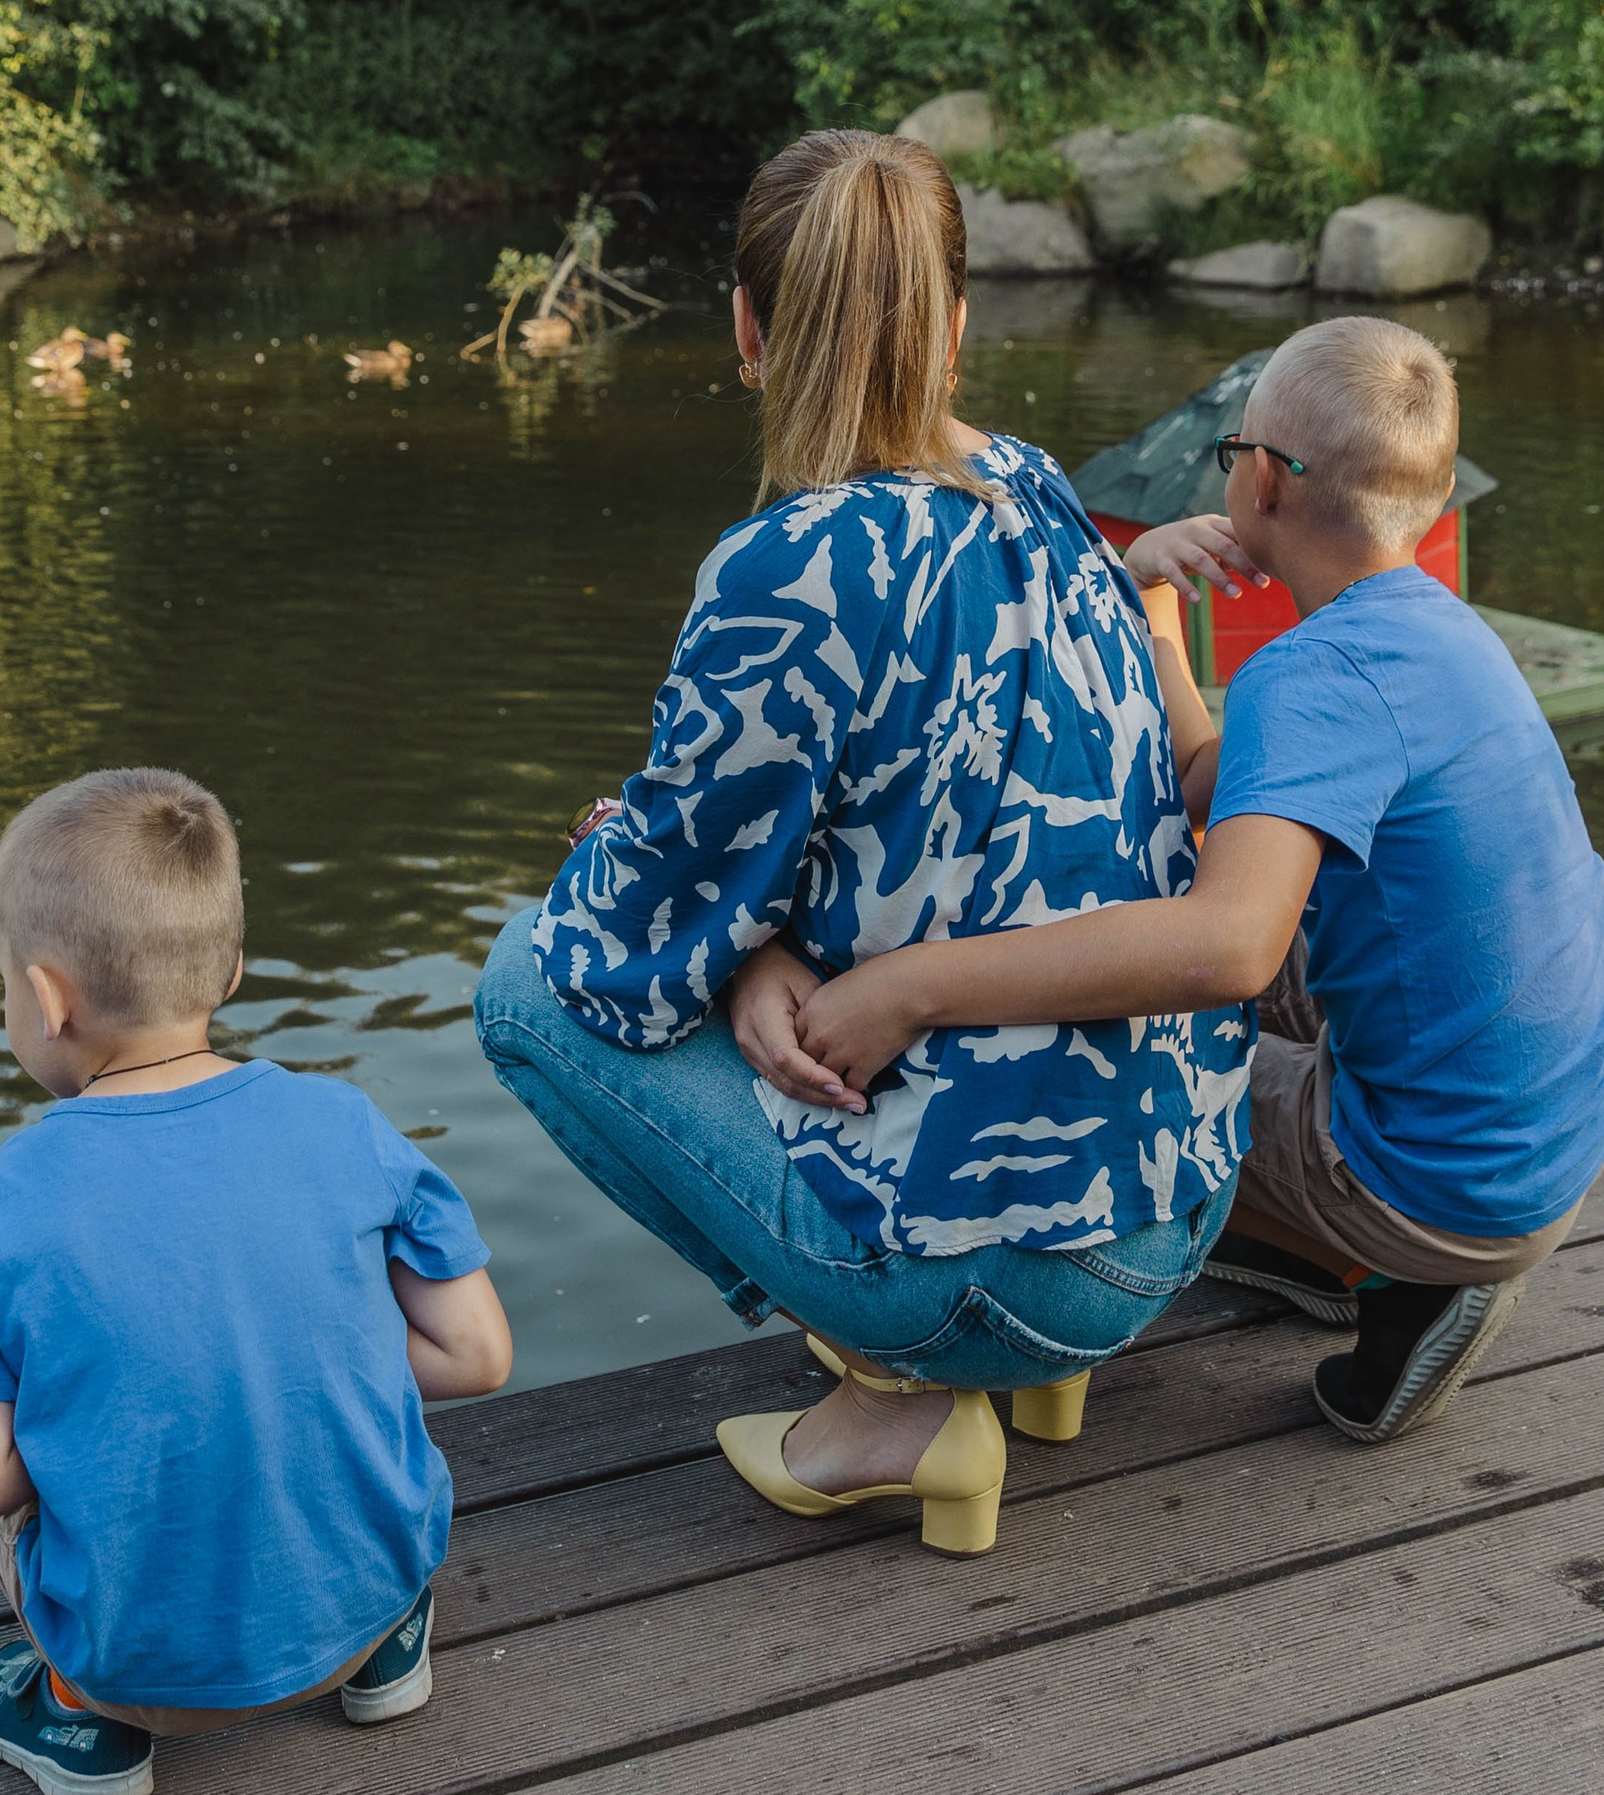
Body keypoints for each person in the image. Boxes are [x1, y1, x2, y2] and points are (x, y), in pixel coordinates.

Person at [474, 129, 1253, 1560]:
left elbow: (625, 942)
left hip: (995, 1276)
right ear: (959, 330)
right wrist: (760, 945)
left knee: (524, 980)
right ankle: (1035, 1380)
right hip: (1175, 1214)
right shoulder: (1043, 494)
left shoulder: (793, 566)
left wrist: (697, 917)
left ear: (748, 331)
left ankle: (900, 1387)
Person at [794, 316, 1604, 1447]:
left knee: (1091, 1071)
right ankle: (1341, 1253)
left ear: (1260, 480)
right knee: (1189, 928)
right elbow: (1210, 783)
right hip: (1560, 1109)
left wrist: (913, 984)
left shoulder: (1313, 672)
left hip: (1452, 1177)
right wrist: (1153, 603)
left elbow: (1232, 945)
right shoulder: (1433, 631)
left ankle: (1393, 1272)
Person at [0, 765, 512, 1795]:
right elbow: (478, 1356)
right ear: (229, 969)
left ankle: (81, 1721)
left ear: (47, 998)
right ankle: (384, 1656)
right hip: (368, 1595)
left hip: (140, 1670)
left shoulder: (1, 1199)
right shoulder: (345, 1123)